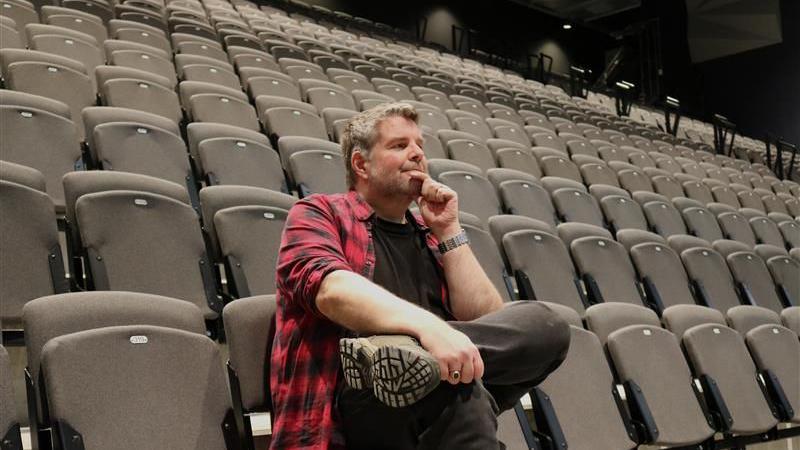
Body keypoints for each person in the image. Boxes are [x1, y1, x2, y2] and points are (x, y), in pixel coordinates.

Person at [270, 102, 570, 450]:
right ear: (360, 164)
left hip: (434, 398)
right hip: (352, 407)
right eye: (400, 145)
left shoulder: (429, 236)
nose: (416, 154)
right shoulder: (319, 212)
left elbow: (487, 320)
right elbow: (331, 290)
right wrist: (430, 330)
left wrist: (449, 230)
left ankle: (416, 358)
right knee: (459, 389)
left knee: (548, 327)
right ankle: (414, 357)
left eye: (419, 146)